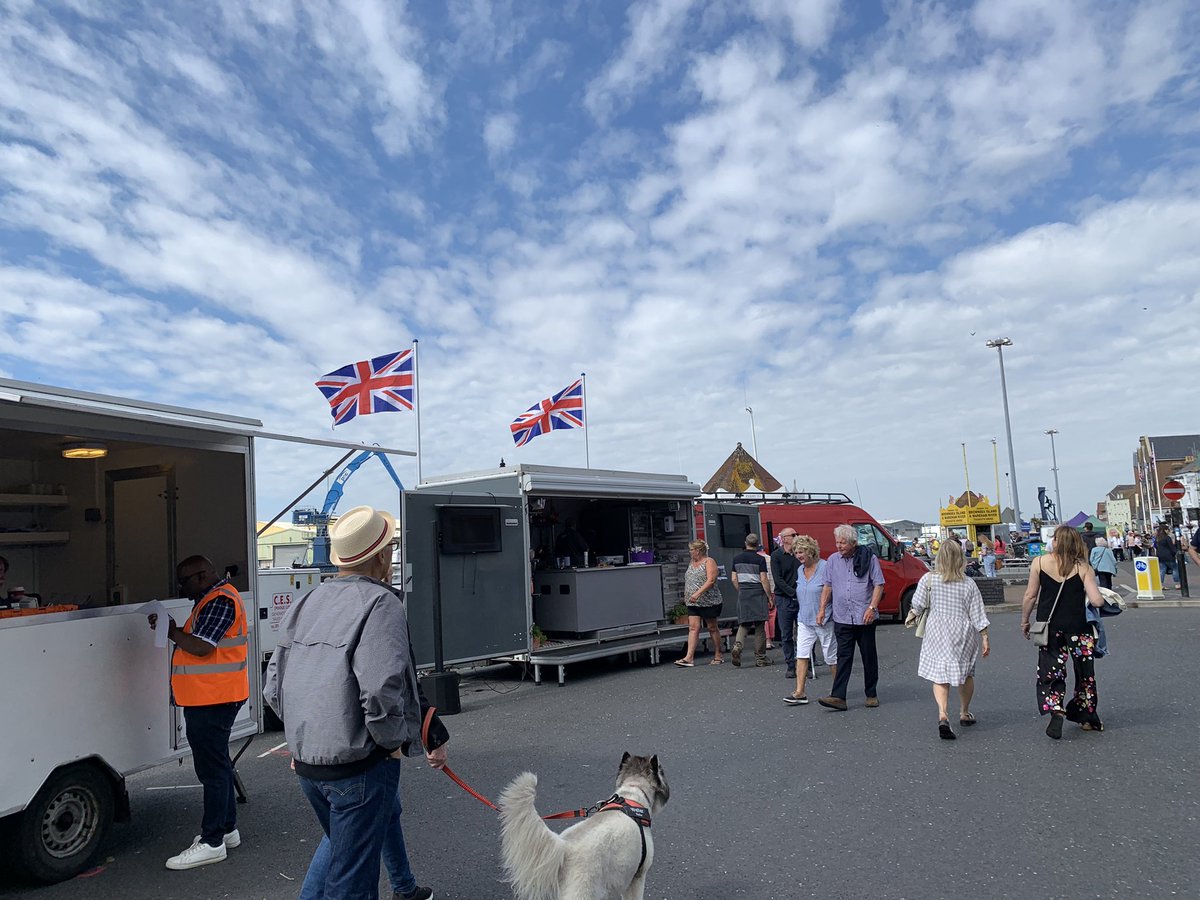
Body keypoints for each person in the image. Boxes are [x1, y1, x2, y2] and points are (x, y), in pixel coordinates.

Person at [264, 506, 448, 900]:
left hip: (309, 762)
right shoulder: (381, 605)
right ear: (382, 556)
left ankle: (406, 887)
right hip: (359, 763)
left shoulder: (307, 601)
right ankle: (404, 888)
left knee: (340, 852)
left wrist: (304, 738)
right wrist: (392, 742)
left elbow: (274, 685)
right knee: (351, 883)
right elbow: (382, 689)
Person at [147, 556, 250, 870]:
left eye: (185, 580)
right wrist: (175, 631)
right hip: (212, 697)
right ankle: (227, 830)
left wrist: (171, 632)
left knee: (212, 772)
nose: (181, 587)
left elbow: (203, 647)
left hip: (213, 699)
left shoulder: (220, 600)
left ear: (203, 575)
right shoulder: (212, 598)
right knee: (218, 766)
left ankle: (212, 842)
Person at [1020, 525, 1107, 739]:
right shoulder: (1083, 567)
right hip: (1079, 628)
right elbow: (1097, 600)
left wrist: (1024, 620)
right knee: (1085, 673)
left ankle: (1056, 709)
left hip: (1050, 628)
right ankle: (1087, 716)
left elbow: (1030, 596)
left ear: (1057, 542)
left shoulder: (1039, 563)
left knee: (1051, 670)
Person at [909, 540, 990, 740]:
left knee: (940, 674)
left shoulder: (928, 579)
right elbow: (977, 612)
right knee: (966, 673)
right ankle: (964, 711)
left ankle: (943, 715)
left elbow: (918, 604)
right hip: (962, 631)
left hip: (936, 629)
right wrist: (985, 637)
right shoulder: (968, 583)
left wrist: (911, 615)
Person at [816, 525, 884, 711]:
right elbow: (827, 586)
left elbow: (878, 584)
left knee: (868, 656)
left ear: (853, 543)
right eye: (837, 542)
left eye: (843, 542)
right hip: (842, 616)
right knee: (843, 656)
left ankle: (871, 694)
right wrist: (822, 609)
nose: (839, 546)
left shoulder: (869, 558)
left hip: (865, 616)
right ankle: (838, 697)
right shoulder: (832, 560)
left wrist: (872, 607)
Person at [784, 536, 836, 706]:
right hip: (804, 618)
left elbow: (830, 590)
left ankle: (838, 691)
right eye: (796, 552)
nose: (798, 555)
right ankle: (799, 692)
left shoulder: (826, 566)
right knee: (802, 654)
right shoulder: (800, 570)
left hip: (824, 619)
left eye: (801, 552)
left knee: (830, 656)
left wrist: (822, 610)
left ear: (810, 551)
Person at [674, 539, 724, 667]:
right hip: (693, 602)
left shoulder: (709, 561)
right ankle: (689, 657)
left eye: (691, 550)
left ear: (698, 551)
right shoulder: (692, 562)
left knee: (712, 627)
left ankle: (718, 654)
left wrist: (697, 593)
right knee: (693, 627)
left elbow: (711, 580)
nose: (690, 552)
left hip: (709, 601)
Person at [730, 533, 773, 667]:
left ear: (745, 543)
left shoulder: (736, 559)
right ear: (757, 544)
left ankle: (738, 645)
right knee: (760, 626)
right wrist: (769, 596)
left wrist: (741, 590)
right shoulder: (760, 560)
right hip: (758, 593)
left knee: (744, 623)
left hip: (744, 592)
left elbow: (733, 578)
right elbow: (764, 580)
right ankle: (760, 658)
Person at [770, 528, 799, 678]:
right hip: (784, 598)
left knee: (804, 633)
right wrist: (792, 592)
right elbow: (778, 579)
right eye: (793, 535)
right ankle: (790, 664)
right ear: (784, 538)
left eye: (796, 534)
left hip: (801, 598)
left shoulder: (800, 554)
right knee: (786, 634)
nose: (796, 537)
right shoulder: (776, 556)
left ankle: (805, 663)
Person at [1155, 524, 1178, 590]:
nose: (1168, 531)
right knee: (1175, 569)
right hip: (1169, 556)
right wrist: (1175, 553)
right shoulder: (1167, 538)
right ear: (1165, 530)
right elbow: (1171, 547)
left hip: (1160, 556)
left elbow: (1156, 546)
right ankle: (1177, 584)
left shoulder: (1158, 538)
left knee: (1162, 570)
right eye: (1168, 529)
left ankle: (1160, 585)